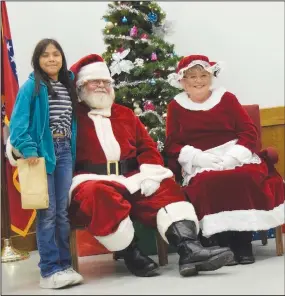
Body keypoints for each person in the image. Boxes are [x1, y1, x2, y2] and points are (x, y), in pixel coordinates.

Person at [67, 53, 233, 278]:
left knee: (167, 188)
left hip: (131, 176)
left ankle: (188, 249)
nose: (101, 86)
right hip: (91, 179)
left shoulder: (125, 114)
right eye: (94, 82)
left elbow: (147, 148)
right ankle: (130, 253)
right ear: (80, 87)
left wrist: (150, 173)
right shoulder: (71, 118)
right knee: (96, 195)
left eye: (105, 82)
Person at [164, 54, 285, 265]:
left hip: (234, 153)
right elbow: (172, 144)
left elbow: (249, 131)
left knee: (244, 176)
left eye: (203, 75)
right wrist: (197, 158)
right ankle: (221, 242)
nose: (199, 80)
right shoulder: (176, 106)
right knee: (205, 182)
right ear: (182, 81)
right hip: (201, 159)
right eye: (192, 77)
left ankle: (243, 241)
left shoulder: (227, 98)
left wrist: (233, 156)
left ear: (211, 76)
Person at [6, 39, 83, 289]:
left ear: (62, 57)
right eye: (45, 55)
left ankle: (64, 264)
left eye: (56, 54)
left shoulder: (67, 83)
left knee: (62, 212)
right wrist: (29, 150)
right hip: (40, 156)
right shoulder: (32, 86)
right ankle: (49, 270)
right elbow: (17, 126)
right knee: (47, 213)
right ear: (37, 60)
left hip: (64, 153)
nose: (51, 59)